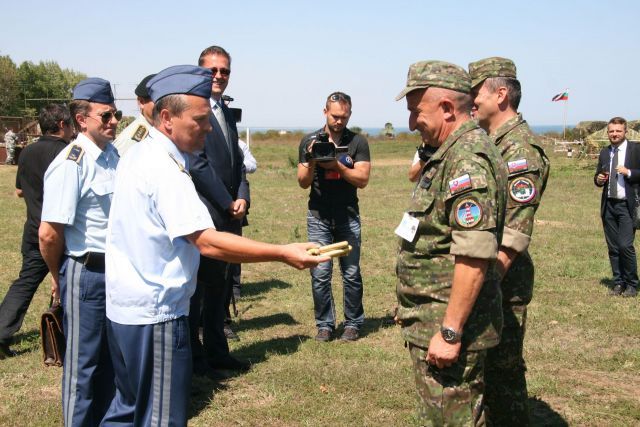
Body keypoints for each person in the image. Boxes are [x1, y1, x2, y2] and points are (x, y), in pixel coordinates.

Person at [102, 64, 327, 426]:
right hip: (156, 317)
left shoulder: (140, 154)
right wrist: (282, 252)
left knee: (126, 412)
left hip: (127, 312)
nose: (208, 127)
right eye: (200, 119)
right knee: (160, 418)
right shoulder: (164, 168)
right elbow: (207, 242)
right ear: (167, 118)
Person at [394, 60, 507, 425]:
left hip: (447, 325)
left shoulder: (466, 160)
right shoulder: (449, 153)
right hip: (431, 315)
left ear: (446, 108)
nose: (411, 123)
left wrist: (450, 331)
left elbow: (473, 255)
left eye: (416, 111)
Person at [469, 56, 551, 425]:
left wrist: (481, 286)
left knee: (503, 375)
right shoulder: (491, 142)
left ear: (500, 94)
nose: (471, 100)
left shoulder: (519, 150)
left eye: (477, 92)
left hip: (501, 281)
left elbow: (514, 234)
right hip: (485, 277)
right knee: (486, 373)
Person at [39, 78, 121, 426]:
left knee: (112, 360)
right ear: (81, 119)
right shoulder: (71, 163)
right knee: (83, 365)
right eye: (106, 115)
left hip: (116, 272)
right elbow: (49, 233)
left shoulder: (113, 156)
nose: (114, 121)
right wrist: (57, 277)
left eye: (116, 114)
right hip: (86, 272)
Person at [186, 45, 251, 373]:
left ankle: (216, 350)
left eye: (224, 70)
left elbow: (238, 162)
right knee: (197, 289)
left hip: (230, 213)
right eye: (212, 70)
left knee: (221, 286)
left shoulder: (225, 111)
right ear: (200, 71)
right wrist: (226, 201)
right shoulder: (192, 110)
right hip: (205, 214)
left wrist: (242, 197)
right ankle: (194, 357)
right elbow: (197, 164)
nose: (219, 76)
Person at [0, 104, 73, 359]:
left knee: (25, 283)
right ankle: (63, 336)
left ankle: (2, 332)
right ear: (62, 125)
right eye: (71, 124)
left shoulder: (28, 151)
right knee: (68, 283)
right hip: (60, 233)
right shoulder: (67, 153)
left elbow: (19, 190)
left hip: (33, 230)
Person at [297, 91, 371, 342]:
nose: (339, 121)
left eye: (344, 117)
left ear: (349, 114)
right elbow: (302, 182)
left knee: (351, 273)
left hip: (347, 215)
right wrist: (312, 159)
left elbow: (362, 179)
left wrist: (336, 164)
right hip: (318, 215)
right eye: (335, 116)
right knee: (320, 273)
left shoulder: (358, 142)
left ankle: (353, 323)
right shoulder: (309, 141)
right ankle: (325, 325)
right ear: (325, 112)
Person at [595, 117, 640, 298]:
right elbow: (598, 175)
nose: (614, 134)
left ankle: (632, 284)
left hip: (627, 206)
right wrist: (598, 179)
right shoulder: (605, 152)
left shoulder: (636, 150)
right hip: (609, 206)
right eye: (611, 131)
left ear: (625, 132)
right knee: (613, 247)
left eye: (618, 131)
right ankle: (618, 282)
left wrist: (628, 172)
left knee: (625, 245)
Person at [112, 74, 155, 157]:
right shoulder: (133, 140)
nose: (164, 104)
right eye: (157, 100)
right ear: (141, 102)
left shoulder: (157, 131)